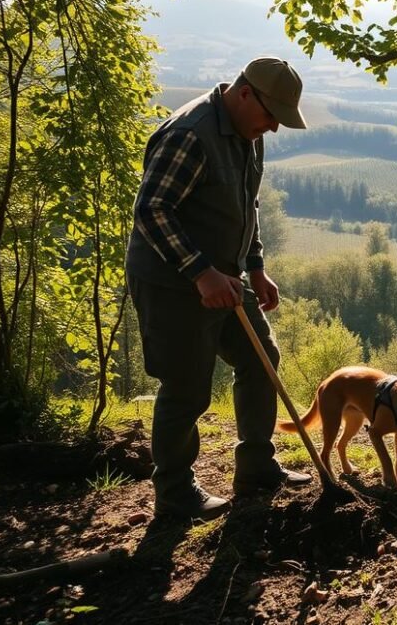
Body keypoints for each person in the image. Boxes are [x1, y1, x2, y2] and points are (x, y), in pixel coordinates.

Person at [126, 57, 312, 520]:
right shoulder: (190, 133)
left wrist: (256, 265)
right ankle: (174, 493)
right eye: (271, 116)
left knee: (260, 358)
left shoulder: (248, 136)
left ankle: (255, 466)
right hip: (172, 280)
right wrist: (201, 273)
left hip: (226, 274)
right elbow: (152, 211)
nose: (272, 128)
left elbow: (243, 205)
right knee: (187, 386)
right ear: (245, 93)